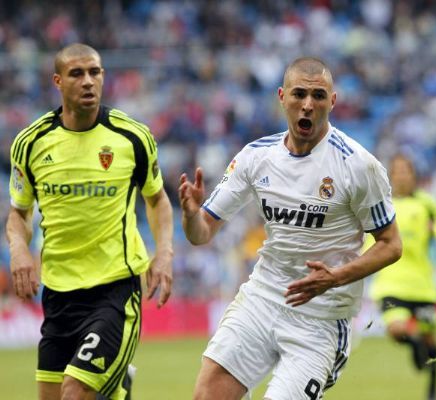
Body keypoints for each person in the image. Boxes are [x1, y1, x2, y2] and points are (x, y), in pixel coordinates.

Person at [178, 56, 402, 400]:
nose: (308, 105)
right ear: (282, 97)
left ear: (333, 101)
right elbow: (201, 234)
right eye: (299, 94)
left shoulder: (358, 166)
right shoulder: (256, 157)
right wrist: (192, 216)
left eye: (318, 96)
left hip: (322, 319)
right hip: (263, 299)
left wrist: (336, 277)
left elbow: (391, 244)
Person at [6, 43, 174, 400]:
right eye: (77, 74)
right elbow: (19, 212)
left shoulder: (132, 137)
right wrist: (19, 249)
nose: (88, 82)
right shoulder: (30, 143)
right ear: (57, 81)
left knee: (75, 392)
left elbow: (157, 199)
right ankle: (118, 389)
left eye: (95, 72)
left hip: (114, 290)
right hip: (58, 295)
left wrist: (164, 254)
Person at [366, 154, 436, 400]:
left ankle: (433, 390)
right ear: (390, 176)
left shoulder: (427, 203)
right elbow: (367, 241)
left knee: (431, 339)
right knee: (396, 330)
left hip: (422, 286)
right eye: (397, 171)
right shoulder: (382, 205)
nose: (401, 176)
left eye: (406, 171)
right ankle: (413, 345)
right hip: (390, 283)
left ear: (413, 175)